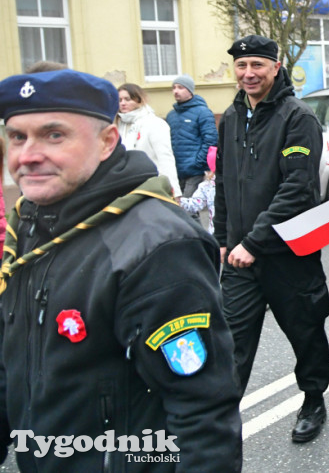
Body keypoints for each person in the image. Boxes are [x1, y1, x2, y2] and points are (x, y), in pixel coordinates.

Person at [0, 69, 241, 470]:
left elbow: (202, 412)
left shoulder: (157, 245)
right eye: (17, 137)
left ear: (107, 141)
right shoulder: (30, 222)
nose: (28, 155)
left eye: (54, 135)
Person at [214, 35, 329, 444]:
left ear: (275, 67)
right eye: (242, 66)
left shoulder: (297, 117)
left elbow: (298, 190)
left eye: (257, 66)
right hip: (240, 258)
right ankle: (219, 422)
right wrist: (224, 239)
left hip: (287, 254)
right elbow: (223, 183)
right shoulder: (230, 118)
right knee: (229, 341)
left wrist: (254, 242)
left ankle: (313, 400)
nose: (249, 73)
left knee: (306, 332)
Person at [116, 83, 181, 199]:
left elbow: (165, 159)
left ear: (138, 100)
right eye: (120, 100)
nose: (123, 103)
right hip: (125, 189)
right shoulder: (117, 125)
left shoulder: (154, 123)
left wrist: (174, 192)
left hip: (151, 188)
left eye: (127, 99)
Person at [166, 74, 218, 198]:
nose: (176, 91)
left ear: (190, 90)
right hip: (176, 170)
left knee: (189, 209)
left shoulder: (203, 112)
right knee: (179, 207)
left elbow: (211, 139)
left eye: (180, 87)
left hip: (194, 171)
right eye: (174, 88)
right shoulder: (171, 115)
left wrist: (198, 162)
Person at [179, 146, 218, 234]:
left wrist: (177, 200)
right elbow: (195, 204)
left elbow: (194, 204)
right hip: (217, 233)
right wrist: (179, 200)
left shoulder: (208, 185)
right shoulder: (207, 186)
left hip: (217, 233)